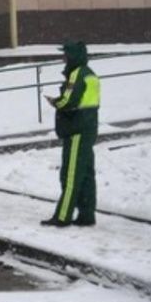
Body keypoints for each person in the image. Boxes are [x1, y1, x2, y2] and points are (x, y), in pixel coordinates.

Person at [41, 41, 99, 227]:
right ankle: (86, 215)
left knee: (70, 175)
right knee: (86, 175)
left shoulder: (77, 74)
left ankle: (62, 217)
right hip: (88, 128)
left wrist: (54, 102)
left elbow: (68, 102)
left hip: (76, 130)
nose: (63, 58)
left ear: (73, 56)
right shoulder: (90, 74)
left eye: (65, 54)